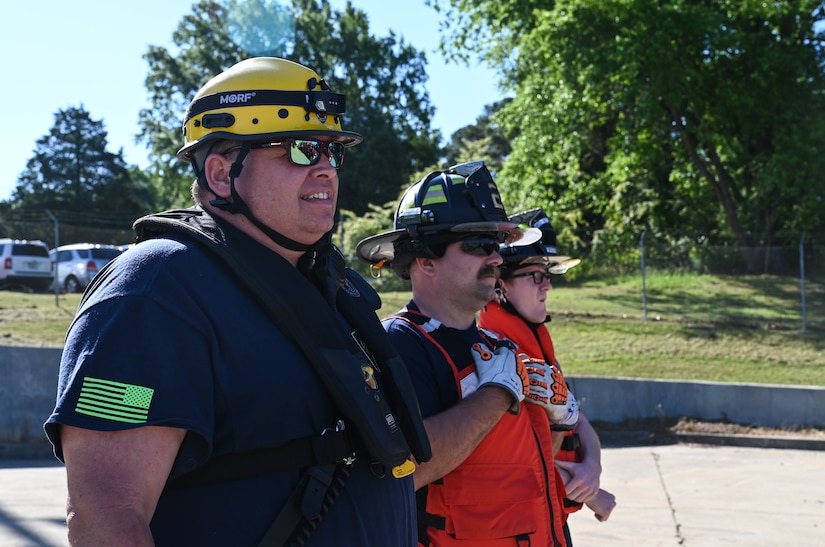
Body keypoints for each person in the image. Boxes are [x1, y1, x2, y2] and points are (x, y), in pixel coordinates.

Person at [44, 57, 431, 547]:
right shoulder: (153, 290)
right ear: (222, 173)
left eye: (334, 153)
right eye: (301, 149)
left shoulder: (322, 283)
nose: (326, 170)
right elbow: (104, 517)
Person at [356, 161, 579, 547]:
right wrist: (496, 395)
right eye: (479, 245)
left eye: (497, 245)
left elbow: (524, 476)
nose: (495, 258)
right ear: (425, 259)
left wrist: (559, 421)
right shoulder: (398, 345)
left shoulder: (498, 350)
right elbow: (403, 470)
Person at [477, 207, 616, 537]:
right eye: (535, 276)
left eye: (547, 277)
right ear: (500, 287)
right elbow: (517, 457)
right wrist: (592, 494)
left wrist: (592, 467)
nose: (547, 287)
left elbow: (576, 417)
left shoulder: (535, 339)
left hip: (550, 520)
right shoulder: (495, 353)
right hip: (518, 528)